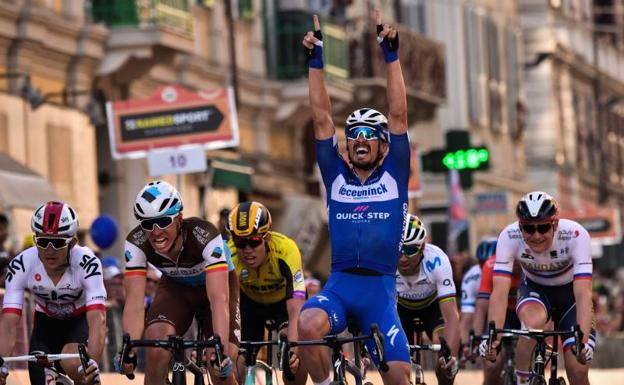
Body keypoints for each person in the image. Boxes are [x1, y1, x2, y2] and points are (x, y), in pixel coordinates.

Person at [299, 10, 412, 384]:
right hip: (341, 285)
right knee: (306, 324)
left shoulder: (395, 173)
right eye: (354, 133)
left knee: (398, 376)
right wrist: (316, 63)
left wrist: (391, 56)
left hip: (379, 291)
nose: (360, 139)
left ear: (383, 146)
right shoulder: (336, 176)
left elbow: (398, 114)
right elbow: (321, 119)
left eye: (369, 133)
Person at [116, 180, 240, 385]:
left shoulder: (205, 235)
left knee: (217, 365)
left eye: (164, 221)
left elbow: (219, 300)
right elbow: (135, 304)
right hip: (177, 289)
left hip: (217, 292)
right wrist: (129, 349)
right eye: (147, 224)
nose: (155, 232)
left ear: (179, 218)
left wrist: (220, 348)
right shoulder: (136, 242)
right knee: (156, 348)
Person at [481, 191, 595, 385]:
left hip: (572, 297)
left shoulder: (576, 235)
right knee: (532, 323)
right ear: (520, 226)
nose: (536, 236)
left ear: (555, 224)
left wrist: (582, 342)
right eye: (528, 229)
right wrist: (494, 338)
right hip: (536, 291)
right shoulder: (509, 236)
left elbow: (583, 293)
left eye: (543, 228)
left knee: (577, 370)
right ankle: (522, 380)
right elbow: (499, 293)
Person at [0, 201, 105, 385]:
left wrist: (93, 364)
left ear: (72, 243)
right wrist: (1, 362)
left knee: (74, 364)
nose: (49, 250)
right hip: (45, 327)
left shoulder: (87, 263)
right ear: (35, 240)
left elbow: (98, 319)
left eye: (57, 243)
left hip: (78, 323)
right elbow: (9, 322)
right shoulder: (21, 265)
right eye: (42, 241)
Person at [226, 201, 306, 384]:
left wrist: (294, 348)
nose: (247, 250)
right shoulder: (229, 254)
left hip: (283, 303)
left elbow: (296, 307)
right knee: (241, 360)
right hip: (250, 303)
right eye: (240, 242)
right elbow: (222, 302)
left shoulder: (286, 249)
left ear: (267, 238)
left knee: (292, 357)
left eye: (254, 241)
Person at [396, 214, 460, 384]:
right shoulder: (385, 260)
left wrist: (450, 356)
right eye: (399, 249)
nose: (403, 257)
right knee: (397, 360)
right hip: (400, 310)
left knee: (444, 352)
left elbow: (451, 316)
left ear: (423, 247)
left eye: (410, 250)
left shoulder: (437, 260)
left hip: (432, 309)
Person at [472, 246, 523, 385]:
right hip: (502, 315)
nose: (518, 264)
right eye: (514, 260)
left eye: (521, 259)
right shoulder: (491, 265)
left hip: (526, 314)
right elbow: (482, 307)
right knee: (492, 365)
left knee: (529, 358)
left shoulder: (535, 265)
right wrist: (476, 338)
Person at [458, 239, 495, 365]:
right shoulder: (471, 277)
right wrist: (465, 344)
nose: (486, 266)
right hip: (481, 311)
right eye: (482, 263)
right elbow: (467, 315)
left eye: (489, 262)